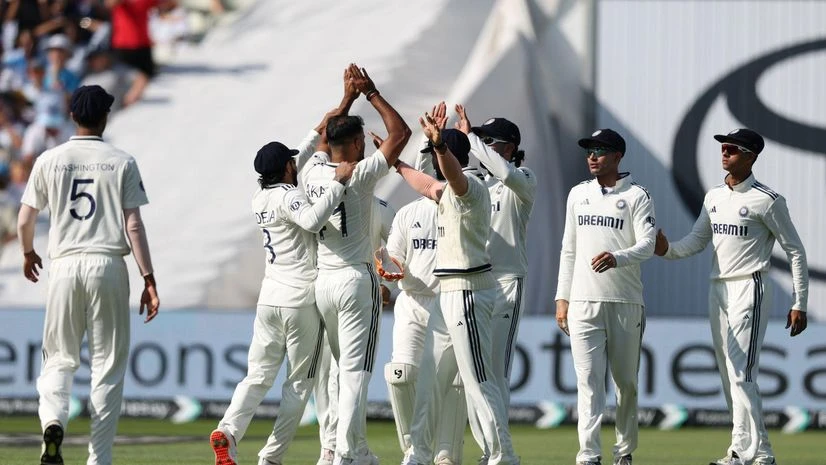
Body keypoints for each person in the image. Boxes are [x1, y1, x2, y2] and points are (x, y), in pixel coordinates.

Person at [16, 84, 159, 465]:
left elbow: (25, 217)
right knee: (107, 364)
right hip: (108, 264)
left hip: (63, 265)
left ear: (72, 116)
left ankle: (53, 420)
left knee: (59, 359)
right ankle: (99, 459)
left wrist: (28, 251)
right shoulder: (122, 161)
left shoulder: (50, 159)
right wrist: (148, 278)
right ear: (105, 117)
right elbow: (134, 225)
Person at [654, 128, 808, 465]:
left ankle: (741, 451)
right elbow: (696, 241)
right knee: (729, 374)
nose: (724, 154)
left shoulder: (767, 200)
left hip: (749, 286)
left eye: (732, 150)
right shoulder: (713, 198)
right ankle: (762, 452)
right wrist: (666, 250)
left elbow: (795, 252)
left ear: (751, 157)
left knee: (742, 373)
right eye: (723, 148)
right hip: (718, 288)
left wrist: (800, 303)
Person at [209, 135, 357, 465]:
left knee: (257, 376)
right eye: (292, 162)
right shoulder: (290, 197)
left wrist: (322, 126)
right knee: (299, 385)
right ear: (288, 168)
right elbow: (311, 220)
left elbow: (295, 161)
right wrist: (338, 182)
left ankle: (229, 431)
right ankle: (271, 456)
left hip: (269, 299)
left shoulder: (259, 197)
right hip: (299, 300)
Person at [394, 102, 518, 465]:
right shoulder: (446, 190)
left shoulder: (472, 186)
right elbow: (427, 184)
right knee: (430, 382)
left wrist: (441, 147)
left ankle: (502, 455)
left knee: (478, 381)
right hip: (446, 296)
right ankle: (417, 455)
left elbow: (449, 175)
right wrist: (395, 164)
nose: (432, 160)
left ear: (449, 155)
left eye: (436, 153)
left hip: (469, 292)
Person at [301, 63, 411, 465]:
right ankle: (346, 453)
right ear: (359, 142)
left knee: (334, 373)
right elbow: (400, 134)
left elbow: (321, 132)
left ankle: (337, 450)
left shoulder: (312, 170)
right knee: (355, 374)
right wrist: (370, 93)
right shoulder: (361, 174)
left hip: (322, 282)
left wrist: (344, 99)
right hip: (354, 280)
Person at [555, 129, 656, 465]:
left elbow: (648, 243)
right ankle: (589, 454)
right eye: (589, 151)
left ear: (617, 156)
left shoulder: (638, 196)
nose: (592, 157)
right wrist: (562, 298)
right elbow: (568, 249)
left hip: (625, 301)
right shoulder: (577, 194)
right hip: (583, 302)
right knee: (587, 381)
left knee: (625, 382)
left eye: (600, 151)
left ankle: (624, 451)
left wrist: (617, 256)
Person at [454, 107, 536, 464]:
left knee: (496, 373)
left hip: (506, 283)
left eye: (489, 142)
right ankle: (492, 450)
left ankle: (501, 454)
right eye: (481, 141)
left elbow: (505, 172)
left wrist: (471, 139)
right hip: (475, 284)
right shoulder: (478, 182)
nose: (482, 148)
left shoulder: (522, 178)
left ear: (509, 147)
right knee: (473, 374)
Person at [384, 134, 466, 465]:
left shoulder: (465, 201)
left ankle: (446, 453)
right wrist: (385, 269)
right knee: (401, 374)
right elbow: (392, 257)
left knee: (453, 381)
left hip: (451, 302)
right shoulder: (407, 213)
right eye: (430, 153)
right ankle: (414, 450)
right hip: (413, 303)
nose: (431, 159)